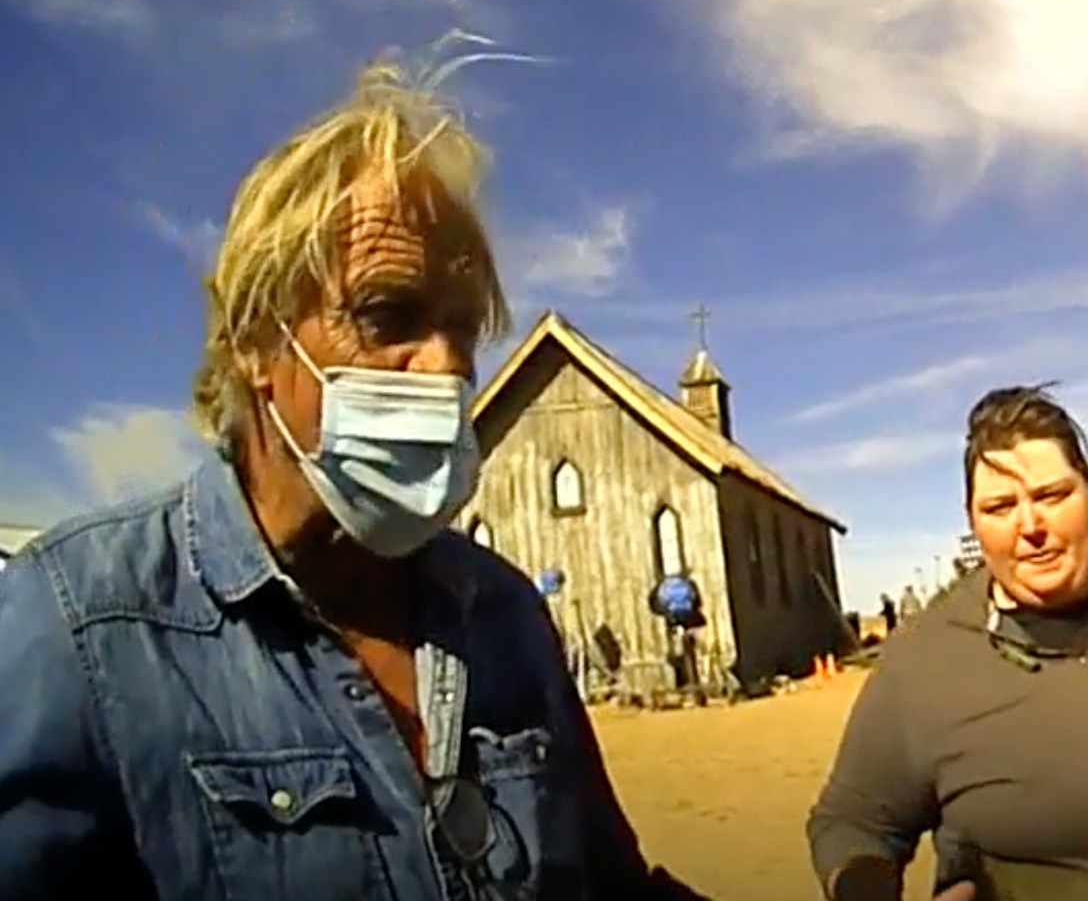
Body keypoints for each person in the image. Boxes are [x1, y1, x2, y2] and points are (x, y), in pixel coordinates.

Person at [0, 54, 704, 899]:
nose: (446, 368)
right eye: (387, 316)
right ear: (260, 344)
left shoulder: (507, 617)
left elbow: (609, 883)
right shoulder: (83, 629)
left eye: (463, 330)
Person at [807, 385, 1088, 901]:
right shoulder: (926, 658)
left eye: (1052, 496)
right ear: (972, 522)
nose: (1030, 526)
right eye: (1000, 507)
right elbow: (853, 820)